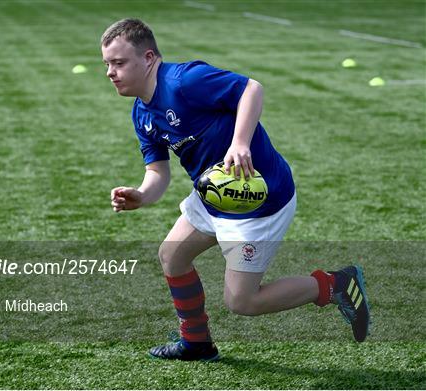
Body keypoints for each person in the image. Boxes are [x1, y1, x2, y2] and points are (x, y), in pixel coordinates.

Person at [100, 18, 370, 361]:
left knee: (242, 301)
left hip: (259, 199)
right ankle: (196, 343)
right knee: (172, 255)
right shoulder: (142, 114)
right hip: (214, 193)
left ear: (149, 57)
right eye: (107, 64)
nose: (110, 72)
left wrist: (240, 143)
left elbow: (251, 88)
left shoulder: (185, 80)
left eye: (119, 63)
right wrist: (142, 194)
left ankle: (336, 285)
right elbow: (158, 173)